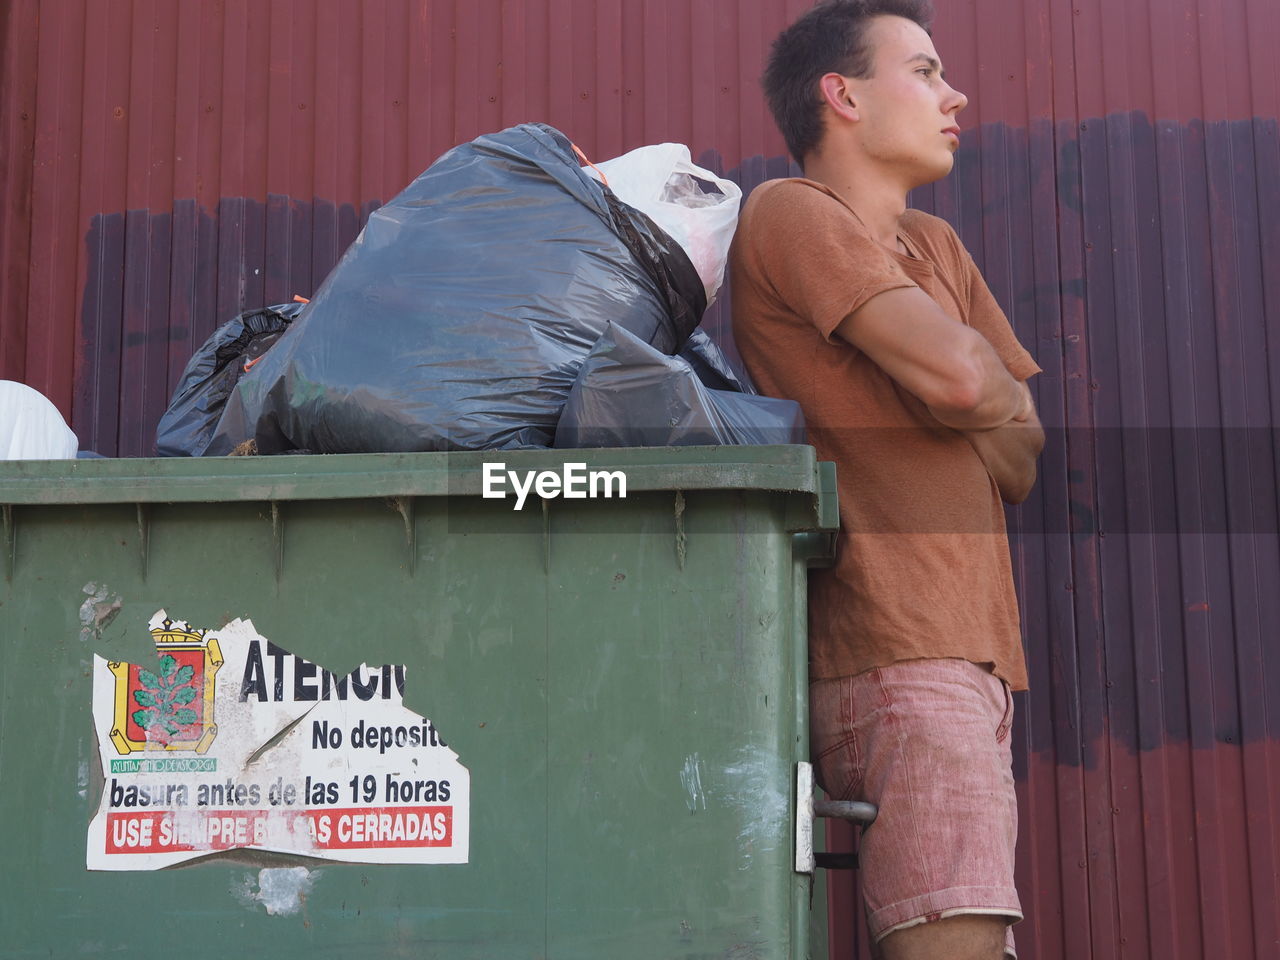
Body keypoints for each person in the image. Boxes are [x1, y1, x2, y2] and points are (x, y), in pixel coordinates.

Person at [730, 3, 1044, 959]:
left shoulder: (938, 249)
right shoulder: (791, 213)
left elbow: (1026, 454)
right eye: (925, 69)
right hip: (896, 652)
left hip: (969, 657)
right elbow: (963, 378)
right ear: (844, 95)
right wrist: (964, 390)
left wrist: (967, 393)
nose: (955, 96)